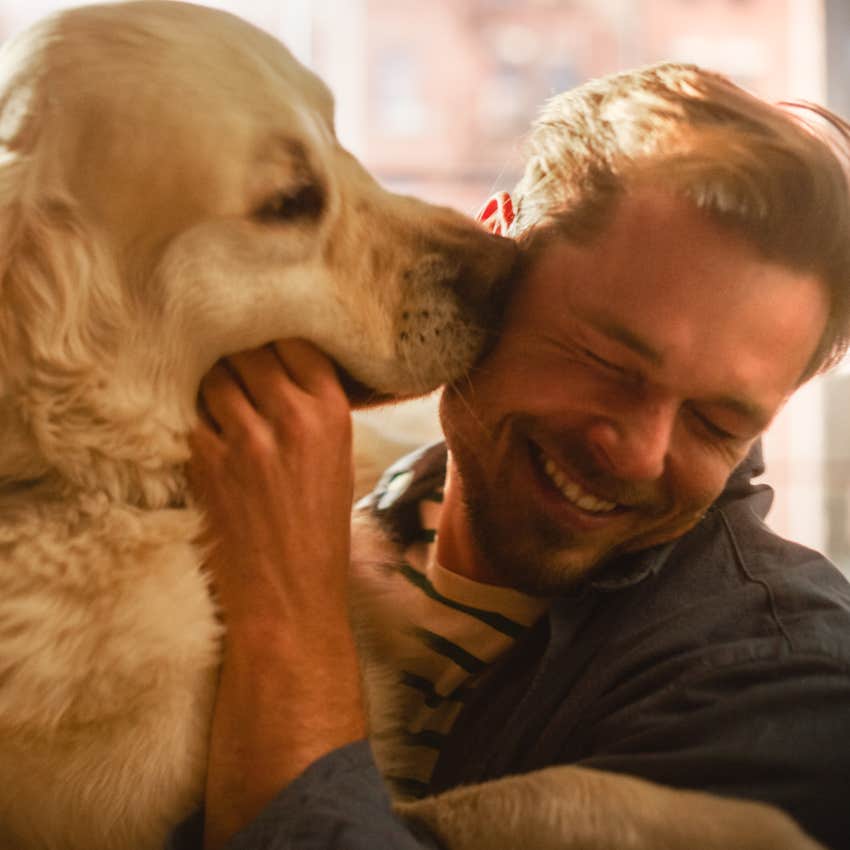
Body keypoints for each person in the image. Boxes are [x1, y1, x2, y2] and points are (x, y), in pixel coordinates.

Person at [178, 63, 850, 850]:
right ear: (497, 254)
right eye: (607, 362)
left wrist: (288, 610)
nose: (638, 454)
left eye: (715, 423)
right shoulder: (306, 493)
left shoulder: (783, 692)